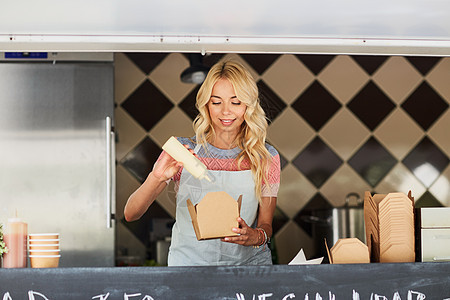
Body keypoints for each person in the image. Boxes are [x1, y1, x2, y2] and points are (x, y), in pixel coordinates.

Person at [124, 60, 281, 266]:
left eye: (236, 102)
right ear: (206, 104)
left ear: (248, 106)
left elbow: (265, 225)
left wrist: (256, 236)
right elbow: (131, 213)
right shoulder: (182, 152)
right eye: (216, 102)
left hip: (248, 270)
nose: (226, 111)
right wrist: (157, 177)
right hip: (190, 269)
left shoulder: (265, 156)